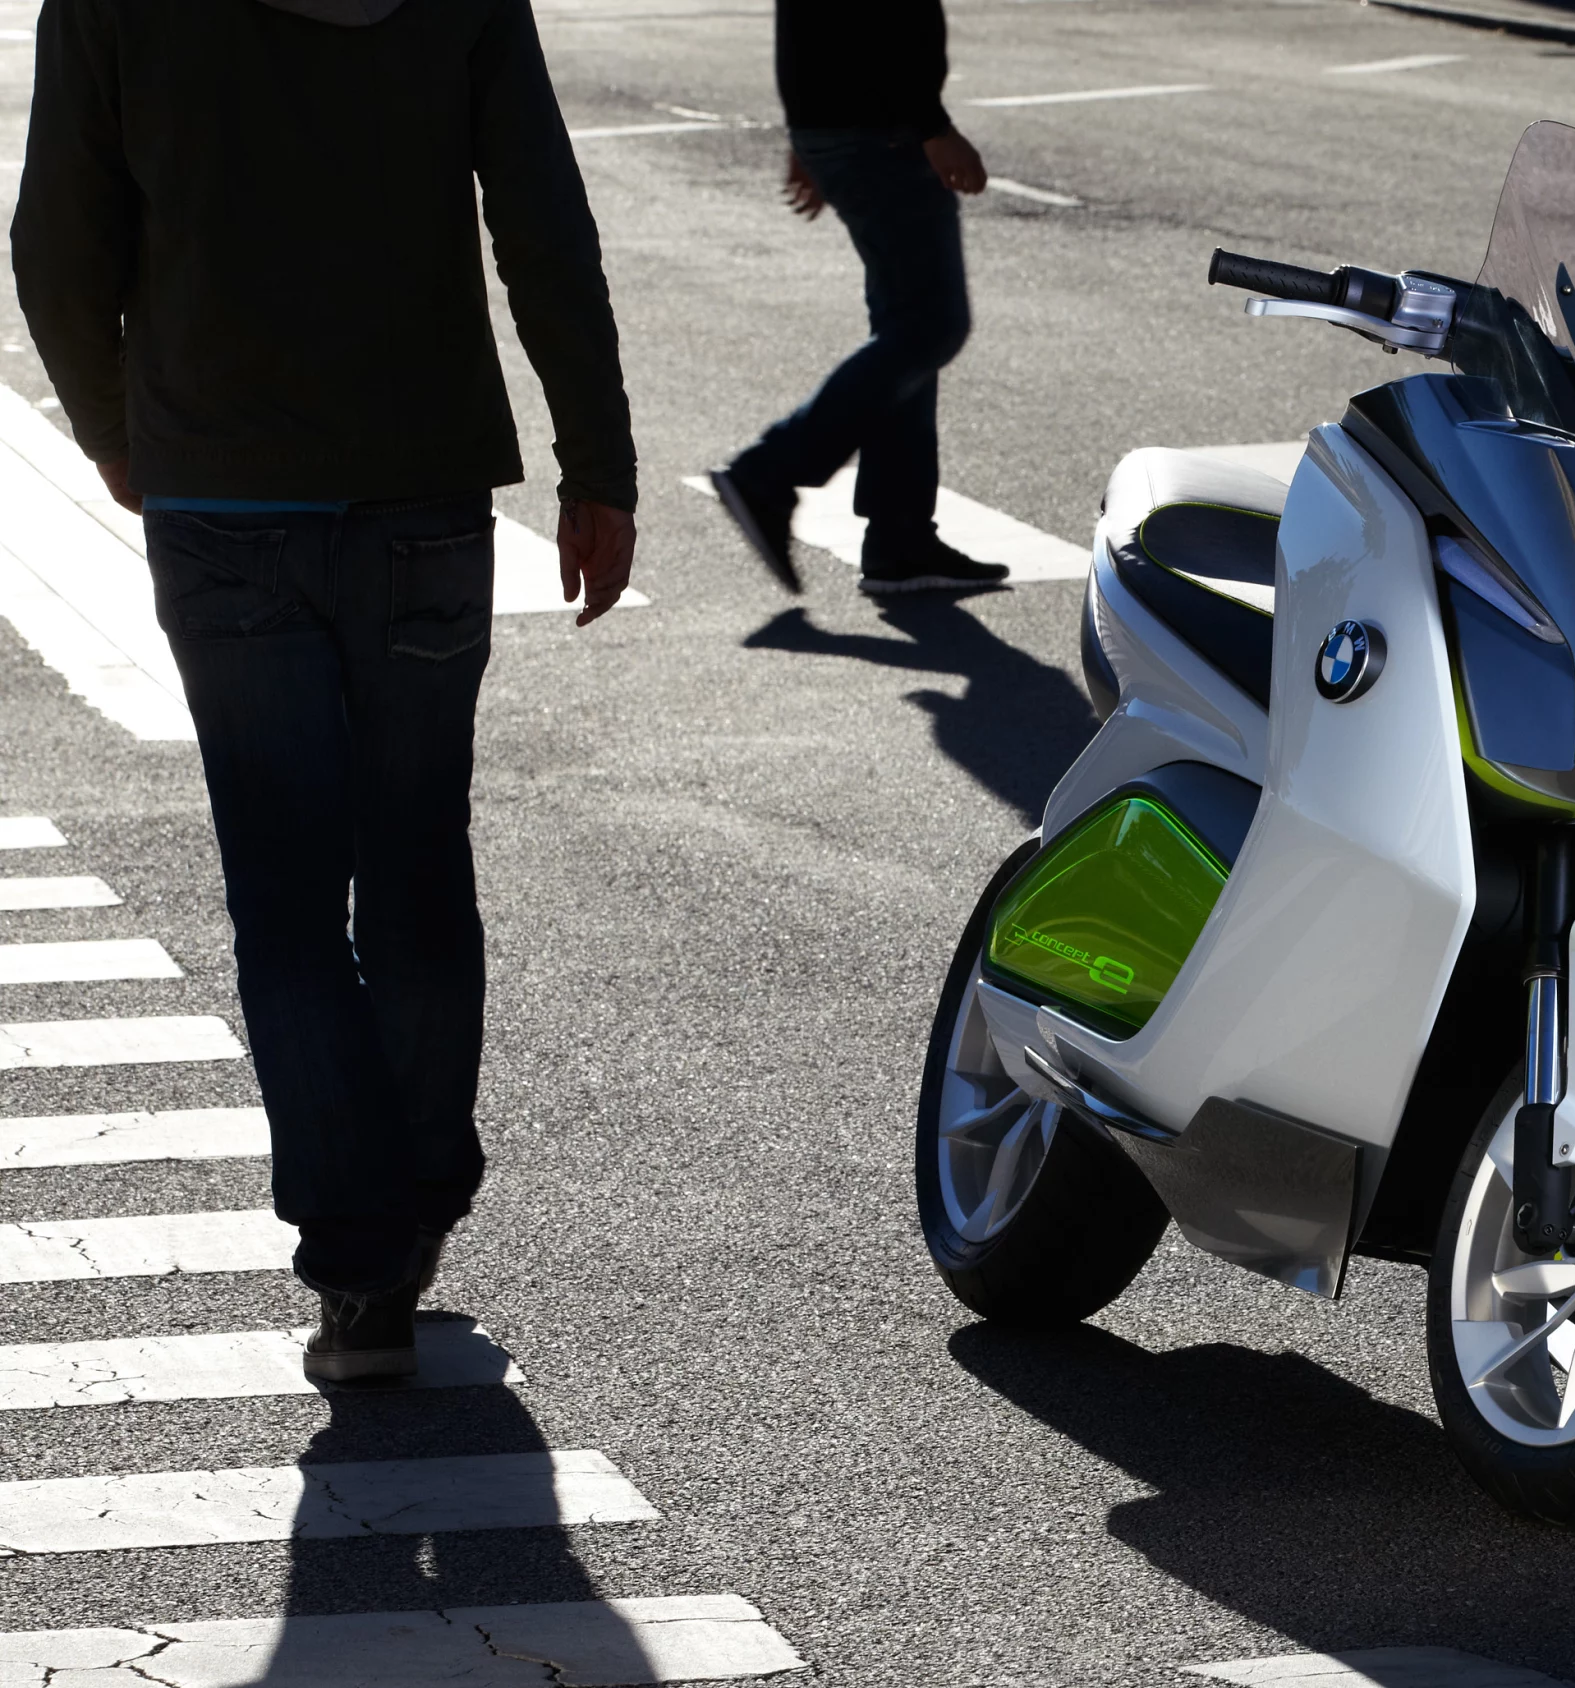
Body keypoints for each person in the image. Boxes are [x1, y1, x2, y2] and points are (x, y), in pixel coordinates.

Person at [12, 0, 639, 1384]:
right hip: (422, 490)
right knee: (418, 861)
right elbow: (543, 223)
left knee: (286, 894)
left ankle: (359, 1271)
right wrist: (597, 459)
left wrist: (123, 435)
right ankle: (412, 1199)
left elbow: (56, 249)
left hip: (223, 492)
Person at [711, 0, 1005, 598]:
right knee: (931, 325)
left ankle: (900, 537)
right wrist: (932, 126)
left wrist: (810, 125)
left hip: (850, 123)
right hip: (883, 131)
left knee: (906, 331)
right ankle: (768, 473)